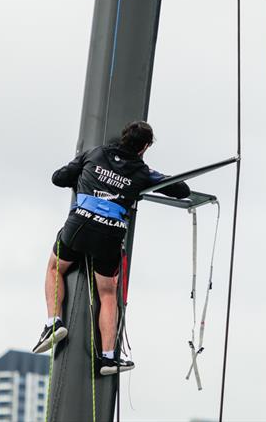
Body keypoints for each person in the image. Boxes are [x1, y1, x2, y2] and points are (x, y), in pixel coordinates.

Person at [33, 121, 190, 375]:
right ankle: (107, 358)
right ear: (145, 147)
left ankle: (54, 323)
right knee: (107, 293)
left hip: (80, 224)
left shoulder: (94, 153)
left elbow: (58, 178)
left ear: (123, 136)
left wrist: (84, 174)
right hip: (110, 232)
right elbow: (181, 190)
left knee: (55, 268)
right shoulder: (143, 172)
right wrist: (145, 183)